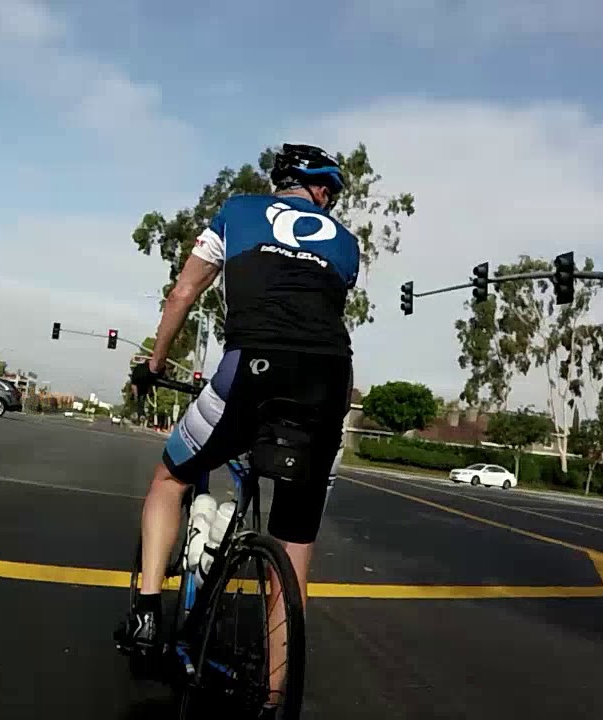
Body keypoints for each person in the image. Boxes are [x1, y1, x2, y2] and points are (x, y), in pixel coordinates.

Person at [115, 143, 358, 713]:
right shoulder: (345, 244)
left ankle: (149, 612)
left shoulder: (238, 211)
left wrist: (153, 365)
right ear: (318, 189)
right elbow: (317, 314)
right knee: (295, 546)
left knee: (170, 479)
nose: (330, 200)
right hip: (328, 381)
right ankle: (275, 696)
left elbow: (184, 292)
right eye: (330, 191)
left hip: (252, 367)